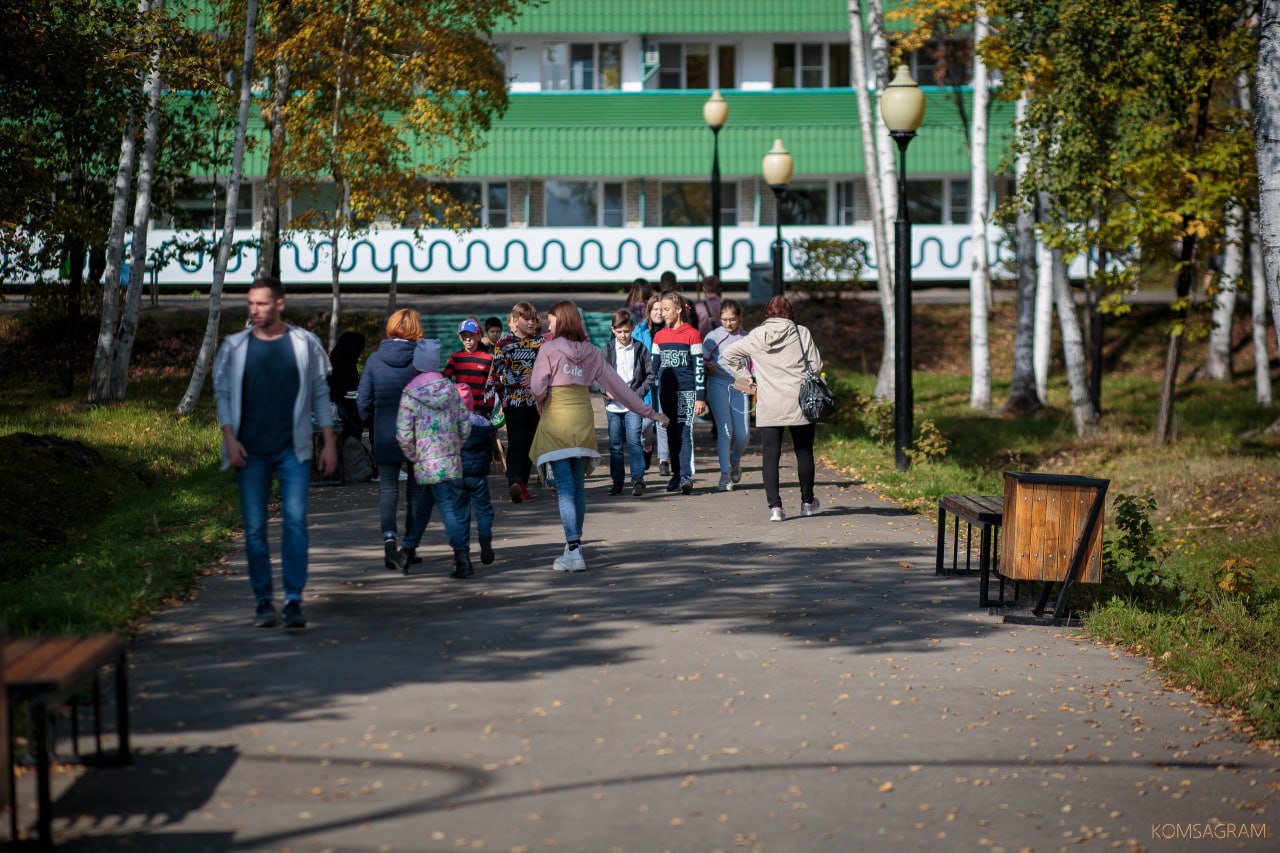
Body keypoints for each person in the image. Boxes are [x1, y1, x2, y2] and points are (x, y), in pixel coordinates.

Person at [213, 275, 336, 630]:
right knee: (254, 529)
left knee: (295, 523)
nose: (255, 310)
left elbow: (319, 395)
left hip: (292, 450)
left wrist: (328, 442)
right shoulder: (235, 347)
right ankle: (264, 601)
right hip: (249, 452)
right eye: (251, 304)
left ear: (280, 303)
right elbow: (222, 395)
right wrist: (229, 439)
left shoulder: (303, 344)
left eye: (262, 303)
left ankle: (293, 599)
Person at [529, 301, 667, 571]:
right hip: (582, 419)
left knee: (566, 487)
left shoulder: (548, 348)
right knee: (577, 486)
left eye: (552, 319)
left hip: (556, 419)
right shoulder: (593, 352)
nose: (549, 324)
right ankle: (574, 546)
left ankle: (573, 548)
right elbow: (619, 387)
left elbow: (537, 387)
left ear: (565, 320)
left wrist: (541, 399)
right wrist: (650, 412)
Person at [722, 295, 824, 522]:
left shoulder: (757, 335)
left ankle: (775, 508)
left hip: (769, 403)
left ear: (767, 313)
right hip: (800, 402)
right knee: (804, 452)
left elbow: (728, 354)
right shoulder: (801, 332)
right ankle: (807, 502)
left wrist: (745, 379)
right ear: (790, 314)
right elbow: (816, 366)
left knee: (770, 456)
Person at [395, 339, 472, 576]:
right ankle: (407, 551)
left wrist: (412, 456)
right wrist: (456, 445)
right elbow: (465, 422)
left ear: (417, 364)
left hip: (426, 460)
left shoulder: (410, 393)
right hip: (448, 458)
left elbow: (404, 432)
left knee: (445, 508)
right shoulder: (450, 389)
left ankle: (462, 559)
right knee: (426, 506)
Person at [356, 308, 423, 570]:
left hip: (384, 431)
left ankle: (388, 542)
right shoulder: (420, 358)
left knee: (388, 490)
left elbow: (363, 401)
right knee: (416, 493)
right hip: (415, 433)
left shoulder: (374, 360)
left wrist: (369, 418)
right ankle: (410, 546)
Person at [651, 291, 707, 494]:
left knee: (684, 432)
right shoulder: (659, 336)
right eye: (662, 309)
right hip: (666, 392)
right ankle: (675, 475)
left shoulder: (692, 334)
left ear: (678, 309)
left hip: (686, 391)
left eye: (666, 309)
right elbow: (653, 367)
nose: (663, 313)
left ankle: (685, 476)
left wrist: (700, 396)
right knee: (670, 432)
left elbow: (699, 368)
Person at [492, 302, 545, 503]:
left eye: (534, 319)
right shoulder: (503, 345)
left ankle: (521, 483)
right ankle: (515, 482)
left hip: (536, 402)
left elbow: (550, 369)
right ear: (515, 321)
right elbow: (495, 375)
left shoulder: (541, 343)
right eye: (527, 319)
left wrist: (535, 375)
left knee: (531, 444)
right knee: (516, 443)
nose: (531, 323)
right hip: (513, 403)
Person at [601, 309, 652, 497]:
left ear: (632, 329)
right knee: (615, 445)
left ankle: (638, 478)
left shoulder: (639, 348)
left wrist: (637, 395)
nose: (624, 335)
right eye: (620, 331)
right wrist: (606, 390)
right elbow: (597, 376)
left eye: (627, 331)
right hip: (613, 406)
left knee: (634, 440)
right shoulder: (607, 349)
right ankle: (617, 482)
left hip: (632, 404)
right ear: (613, 330)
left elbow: (650, 376)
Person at [702, 298, 750, 492]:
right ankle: (724, 475)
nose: (728, 323)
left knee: (743, 433)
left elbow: (752, 366)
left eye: (732, 319)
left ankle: (735, 461)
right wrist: (708, 366)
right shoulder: (713, 336)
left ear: (739, 318)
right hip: (718, 382)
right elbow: (701, 360)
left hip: (739, 383)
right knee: (726, 430)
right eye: (724, 319)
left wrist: (751, 384)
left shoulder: (746, 338)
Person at [454, 383, 497, 571]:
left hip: (456, 474)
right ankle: (485, 537)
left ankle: (462, 556)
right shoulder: (482, 423)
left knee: (459, 515)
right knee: (484, 510)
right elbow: (490, 450)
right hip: (478, 474)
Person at [444, 318, 499, 417]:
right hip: (460, 409)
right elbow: (443, 380)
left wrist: (500, 406)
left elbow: (495, 383)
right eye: (464, 336)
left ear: (479, 336)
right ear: (460, 337)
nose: (468, 339)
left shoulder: (488, 359)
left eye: (471, 335)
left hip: (481, 411)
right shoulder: (455, 357)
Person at [638, 294, 668, 475]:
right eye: (655, 309)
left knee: (662, 420)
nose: (659, 313)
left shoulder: (670, 330)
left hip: (664, 380)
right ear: (649, 312)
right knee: (646, 424)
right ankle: (647, 446)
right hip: (645, 382)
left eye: (662, 309)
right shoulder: (639, 331)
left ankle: (664, 459)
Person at [328, 331, 366, 441]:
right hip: (339, 408)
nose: (361, 352)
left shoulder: (341, 363)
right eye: (360, 348)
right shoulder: (340, 366)